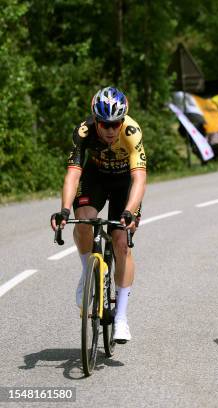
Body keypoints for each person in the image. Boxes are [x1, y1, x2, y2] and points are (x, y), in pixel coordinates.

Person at [50, 87, 146, 343]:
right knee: (83, 219)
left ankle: (122, 317)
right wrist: (63, 210)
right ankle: (86, 273)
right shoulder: (83, 132)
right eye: (105, 124)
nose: (111, 130)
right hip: (96, 178)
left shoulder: (132, 133)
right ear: (96, 120)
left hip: (125, 182)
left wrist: (130, 210)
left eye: (116, 123)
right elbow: (73, 174)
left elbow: (139, 178)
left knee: (122, 241)